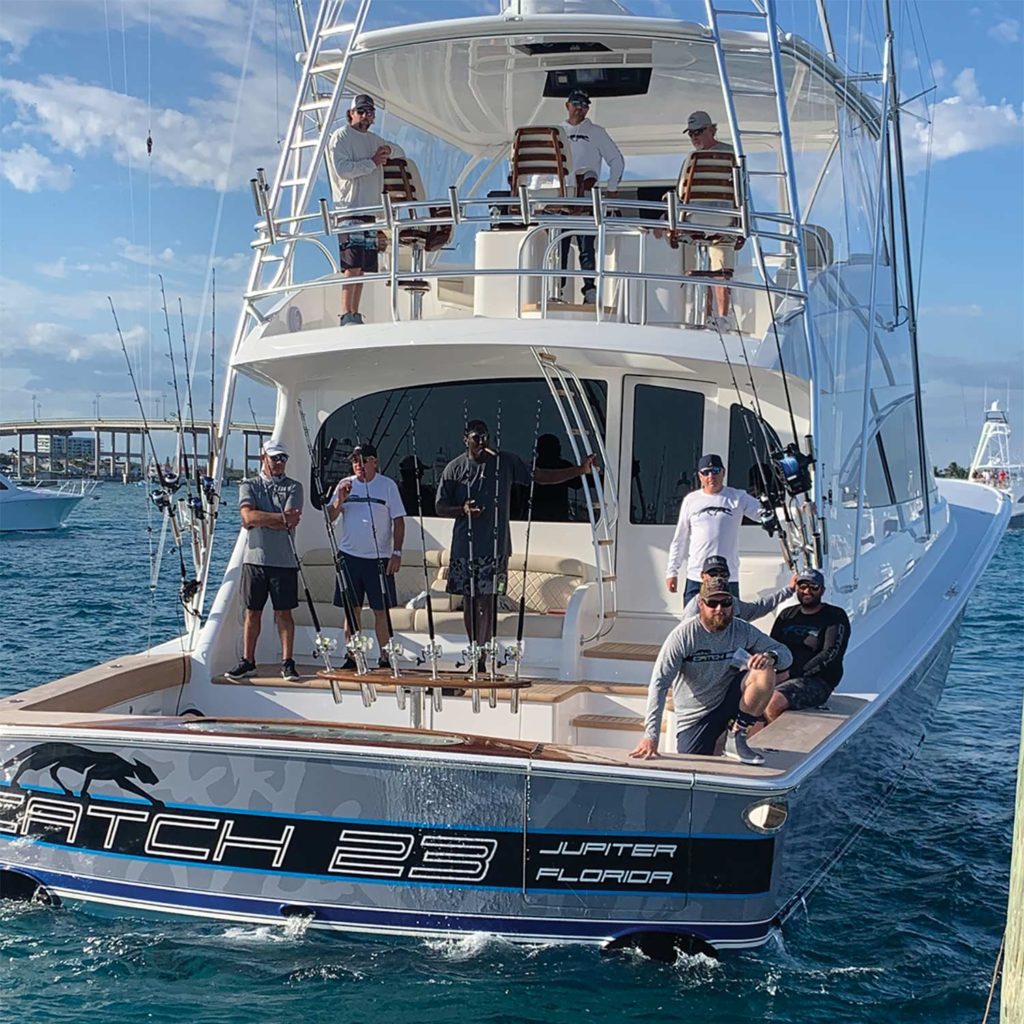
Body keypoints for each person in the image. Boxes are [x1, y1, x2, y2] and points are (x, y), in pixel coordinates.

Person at [435, 419, 596, 669]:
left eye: (485, 437)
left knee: (487, 600)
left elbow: (539, 476)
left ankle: (482, 657)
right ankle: (473, 649)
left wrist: (579, 470)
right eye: (476, 437)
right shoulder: (454, 468)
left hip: (495, 547)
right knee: (469, 600)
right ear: (465, 439)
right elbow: (440, 506)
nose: (482, 442)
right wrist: (462, 509)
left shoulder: (505, 461)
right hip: (463, 548)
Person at [630, 577, 792, 765]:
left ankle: (737, 736)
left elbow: (785, 654)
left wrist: (770, 657)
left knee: (765, 670)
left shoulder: (742, 629)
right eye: (712, 603)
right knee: (692, 765)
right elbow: (659, 684)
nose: (719, 609)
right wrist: (651, 736)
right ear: (701, 603)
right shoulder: (683, 636)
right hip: (696, 716)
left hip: (731, 701)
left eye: (726, 603)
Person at [226, 439, 303, 682]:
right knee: (253, 612)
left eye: (283, 458)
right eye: (274, 458)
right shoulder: (249, 485)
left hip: (284, 561)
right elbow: (248, 517)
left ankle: (288, 662)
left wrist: (265, 518)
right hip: (255, 560)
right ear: (264, 458)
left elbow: (290, 521)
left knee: (284, 613)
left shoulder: (295, 487)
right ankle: (248, 661)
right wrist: (278, 519)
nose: (279, 463)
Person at [326, 94, 404, 327]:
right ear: (351, 113)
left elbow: (399, 152)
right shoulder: (340, 137)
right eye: (361, 111)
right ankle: (345, 313)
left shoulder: (375, 139)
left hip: (369, 211)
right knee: (351, 266)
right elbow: (342, 170)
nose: (366, 116)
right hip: (349, 209)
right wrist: (372, 161)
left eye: (369, 112)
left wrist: (388, 150)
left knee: (362, 268)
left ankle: (355, 312)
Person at [328, 443, 407, 669]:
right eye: (355, 461)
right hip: (349, 557)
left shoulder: (387, 486)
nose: (358, 465)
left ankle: (385, 657)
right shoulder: (344, 485)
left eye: (363, 460)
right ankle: (353, 655)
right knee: (351, 610)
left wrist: (397, 553)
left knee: (380, 610)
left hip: (379, 560)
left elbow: (398, 521)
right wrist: (339, 499)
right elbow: (330, 517)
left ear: (374, 462)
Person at [556, 90, 624, 305]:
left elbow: (617, 160)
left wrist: (612, 188)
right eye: (576, 103)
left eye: (585, 104)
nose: (580, 108)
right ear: (567, 105)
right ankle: (558, 290)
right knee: (560, 248)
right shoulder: (556, 132)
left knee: (587, 250)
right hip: (560, 200)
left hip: (586, 200)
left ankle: (590, 290)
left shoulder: (597, 132)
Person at [666, 453, 763, 603]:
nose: (711, 476)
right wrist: (672, 571)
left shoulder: (738, 497)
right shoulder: (690, 500)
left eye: (715, 471)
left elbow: (765, 514)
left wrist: (798, 510)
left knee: (728, 623)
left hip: (727, 578)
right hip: (696, 577)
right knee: (692, 623)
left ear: (723, 472)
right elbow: (679, 539)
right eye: (706, 472)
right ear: (700, 476)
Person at [761, 568, 850, 725]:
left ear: (822, 590)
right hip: (782, 676)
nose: (807, 591)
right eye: (802, 586)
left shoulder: (835, 616)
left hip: (818, 681)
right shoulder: (787, 615)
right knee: (747, 693)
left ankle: (775, 746)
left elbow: (830, 655)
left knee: (772, 702)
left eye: (813, 587)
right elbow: (772, 646)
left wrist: (790, 674)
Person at [676, 110, 741, 323]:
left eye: (699, 131)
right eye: (691, 133)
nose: (694, 137)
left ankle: (693, 313)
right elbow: (742, 192)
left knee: (678, 238)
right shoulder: (733, 155)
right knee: (721, 260)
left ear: (712, 129)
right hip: (726, 221)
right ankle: (721, 317)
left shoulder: (692, 159)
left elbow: (679, 193)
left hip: (693, 221)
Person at [679, 555, 795, 622]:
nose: (718, 578)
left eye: (725, 603)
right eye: (712, 603)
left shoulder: (735, 603)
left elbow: (759, 607)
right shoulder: (692, 611)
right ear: (702, 576)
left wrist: (789, 589)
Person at [532, 433, 582, 522]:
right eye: (554, 447)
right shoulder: (564, 467)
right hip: (539, 519)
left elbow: (578, 483)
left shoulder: (531, 467)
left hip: (550, 519)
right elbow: (578, 483)